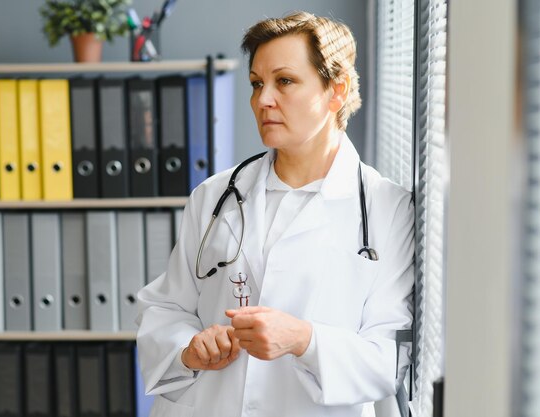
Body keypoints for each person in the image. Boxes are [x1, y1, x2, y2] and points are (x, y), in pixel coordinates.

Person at [136, 11, 414, 417]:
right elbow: (165, 308)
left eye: (284, 81)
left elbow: (388, 360)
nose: (263, 99)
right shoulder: (215, 196)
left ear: (335, 91)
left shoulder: (387, 210)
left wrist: (304, 340)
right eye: (256, 83)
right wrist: (190, 349)